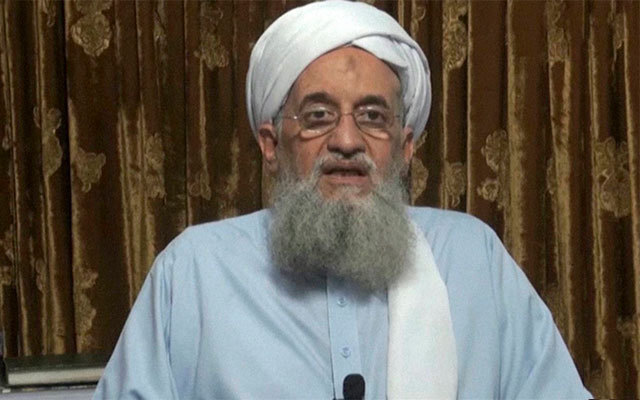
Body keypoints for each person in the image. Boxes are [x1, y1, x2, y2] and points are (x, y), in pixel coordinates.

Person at [94, 1, 591, 399]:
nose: (347, 141)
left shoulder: (472, 259)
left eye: (373, 116)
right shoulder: (193, 272)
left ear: (405, 147)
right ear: (271, 144)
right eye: (318, 116)